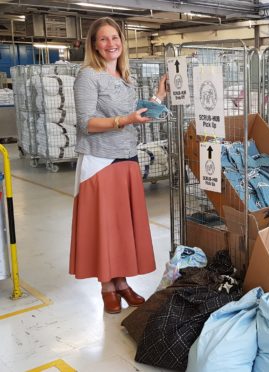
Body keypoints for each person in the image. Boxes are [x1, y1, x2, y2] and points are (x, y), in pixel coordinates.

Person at [69, 17, 168, 314]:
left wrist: (158, 97)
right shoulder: (88, 76)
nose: (111, 44)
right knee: (105, 228)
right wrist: (124, 120)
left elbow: (132, 113)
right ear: (94, 45)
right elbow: (86, 123)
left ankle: (122, 282)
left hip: (126, 159)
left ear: (122, 43)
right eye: (104, 39)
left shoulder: (126, 78)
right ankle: (107, 287)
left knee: (123, 228)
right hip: (101, 162)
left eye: (115, 38)